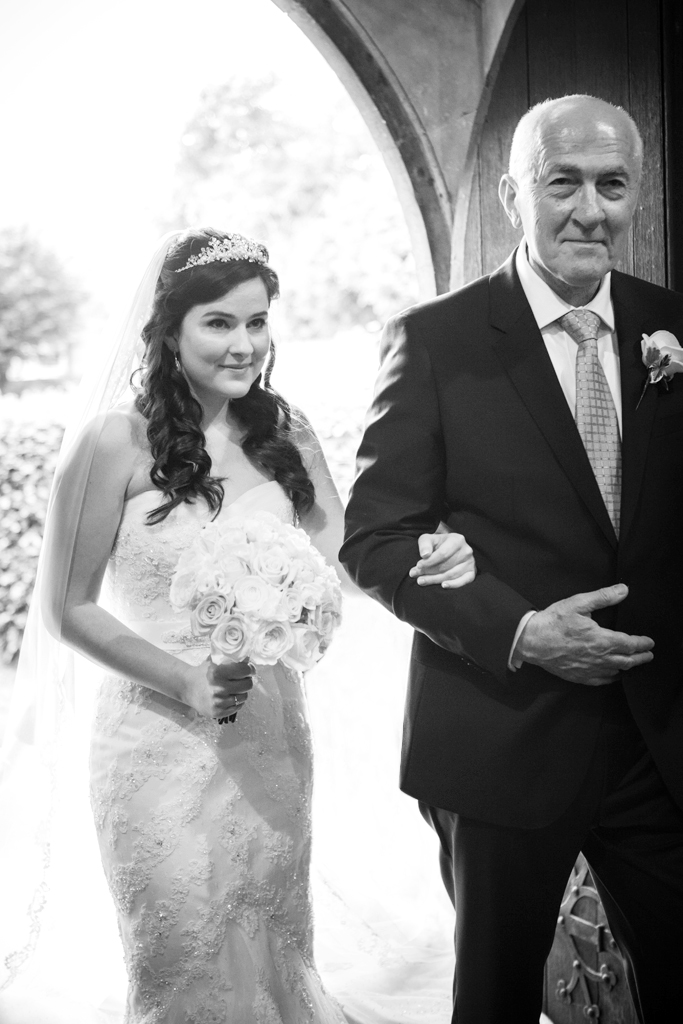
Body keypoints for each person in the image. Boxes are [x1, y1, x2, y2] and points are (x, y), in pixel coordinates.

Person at [0, 227, 472, 1024]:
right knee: (185, 958)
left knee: (272, 951)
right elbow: (65, 607)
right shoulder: (112, 442)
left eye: (256, 322)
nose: (244, 343)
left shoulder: (284, 433)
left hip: (268, 732)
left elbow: (344, 560)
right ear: (168, 330)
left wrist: (424, 554)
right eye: (218, 322)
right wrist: (185, 679)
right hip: (155, 738)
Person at [341, 94, 683, 1023]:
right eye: (561, 183)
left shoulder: (668, 327)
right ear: (510, 195)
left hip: (656, 743)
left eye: (612, 185)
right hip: (500, 735)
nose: (589, 211)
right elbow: (375, 538)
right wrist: (522, 632)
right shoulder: (434, 340)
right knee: (493, 1000)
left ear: (637, 193)